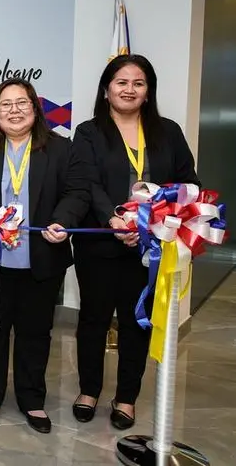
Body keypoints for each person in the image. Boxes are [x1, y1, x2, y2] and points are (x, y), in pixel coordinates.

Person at [0, 78, 90, 434]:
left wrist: (63, 220)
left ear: (35, 108)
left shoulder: (60, 148)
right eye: (6, 105)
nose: (14, 111)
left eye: (22, 103)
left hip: (41, 258)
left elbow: (77, 192)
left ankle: (32, 399)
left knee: (36, 332)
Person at [70, 54, 199, 429]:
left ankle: (126, 398)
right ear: (107, 89)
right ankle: (89, 391)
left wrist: (156, 221)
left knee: (137, 321)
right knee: (93, 319)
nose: (129, 89)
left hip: (150, 248)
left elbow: (188, 184)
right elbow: (86, 183)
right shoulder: (89, 132)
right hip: (100, 243)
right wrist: (114, 219)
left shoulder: (168, 132)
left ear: (148, 91)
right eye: (121, 82)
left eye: (138, 83)